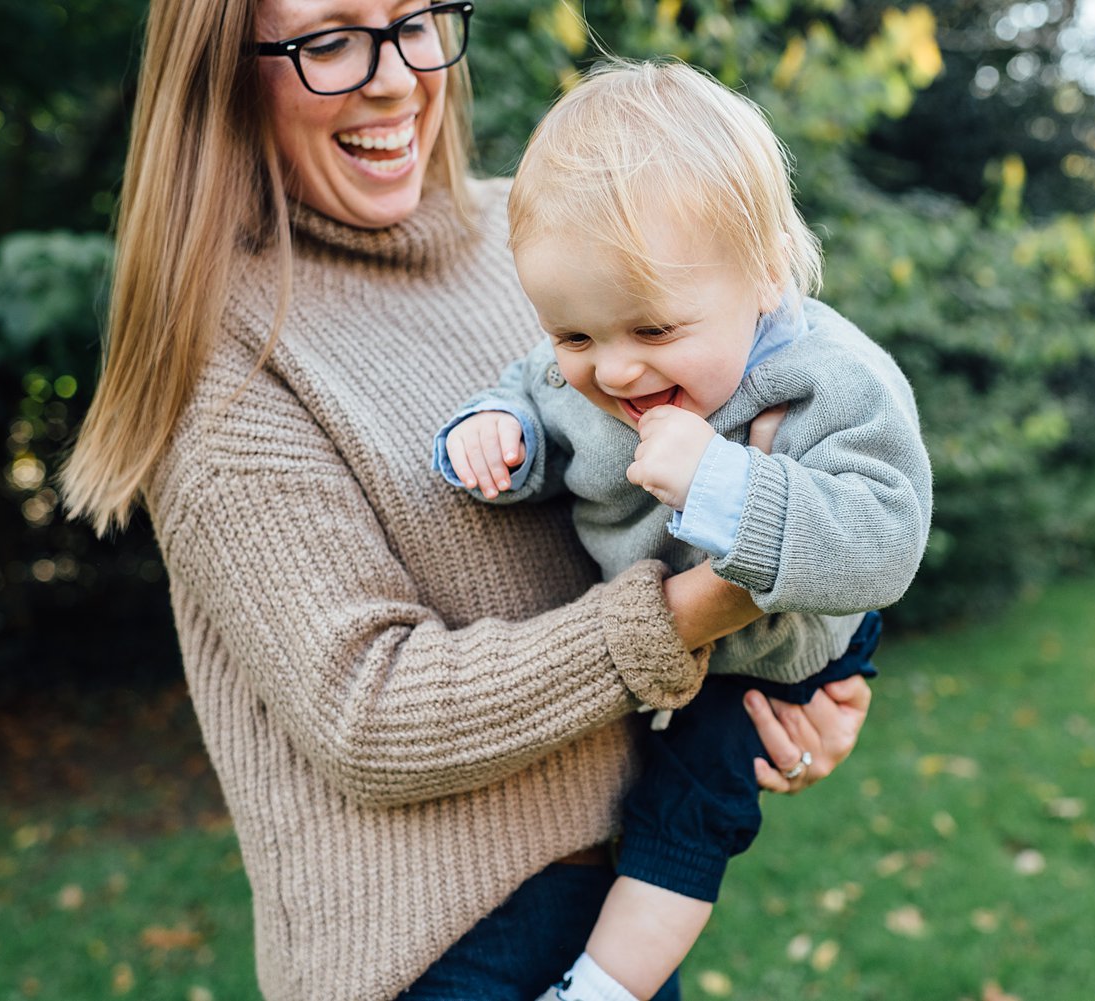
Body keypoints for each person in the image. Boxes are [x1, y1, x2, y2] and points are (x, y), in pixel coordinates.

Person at [59, 2, 876, 999]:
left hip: (620, 907)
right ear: (224, 72)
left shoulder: (549, 242)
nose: (396, 78)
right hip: (440, 958)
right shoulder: (227, 356)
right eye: (329, 41)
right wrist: (708, 607)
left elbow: (707, 487)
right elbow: (369, 714)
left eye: (415, 20)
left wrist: (787, 682)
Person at [436, 60, 932, 1001]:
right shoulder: (590, 367)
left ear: (765, 278)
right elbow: (533, 405)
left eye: (652, 331)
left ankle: (601, 991)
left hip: (788, 644)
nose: (613, 371)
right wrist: (493, 436)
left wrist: (724, 482)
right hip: (676, 630)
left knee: (688, 808)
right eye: (574, 336)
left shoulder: (832, 381)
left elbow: (888, 539)